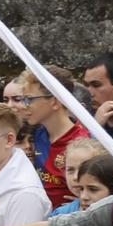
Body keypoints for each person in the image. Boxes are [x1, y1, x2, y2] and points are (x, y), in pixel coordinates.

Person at [16, 67, 84, 207]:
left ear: (54, 101)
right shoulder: (37, 134)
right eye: (22, 99)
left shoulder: (82, 142)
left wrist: (78, 204)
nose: (23, 106)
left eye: (29, 99)